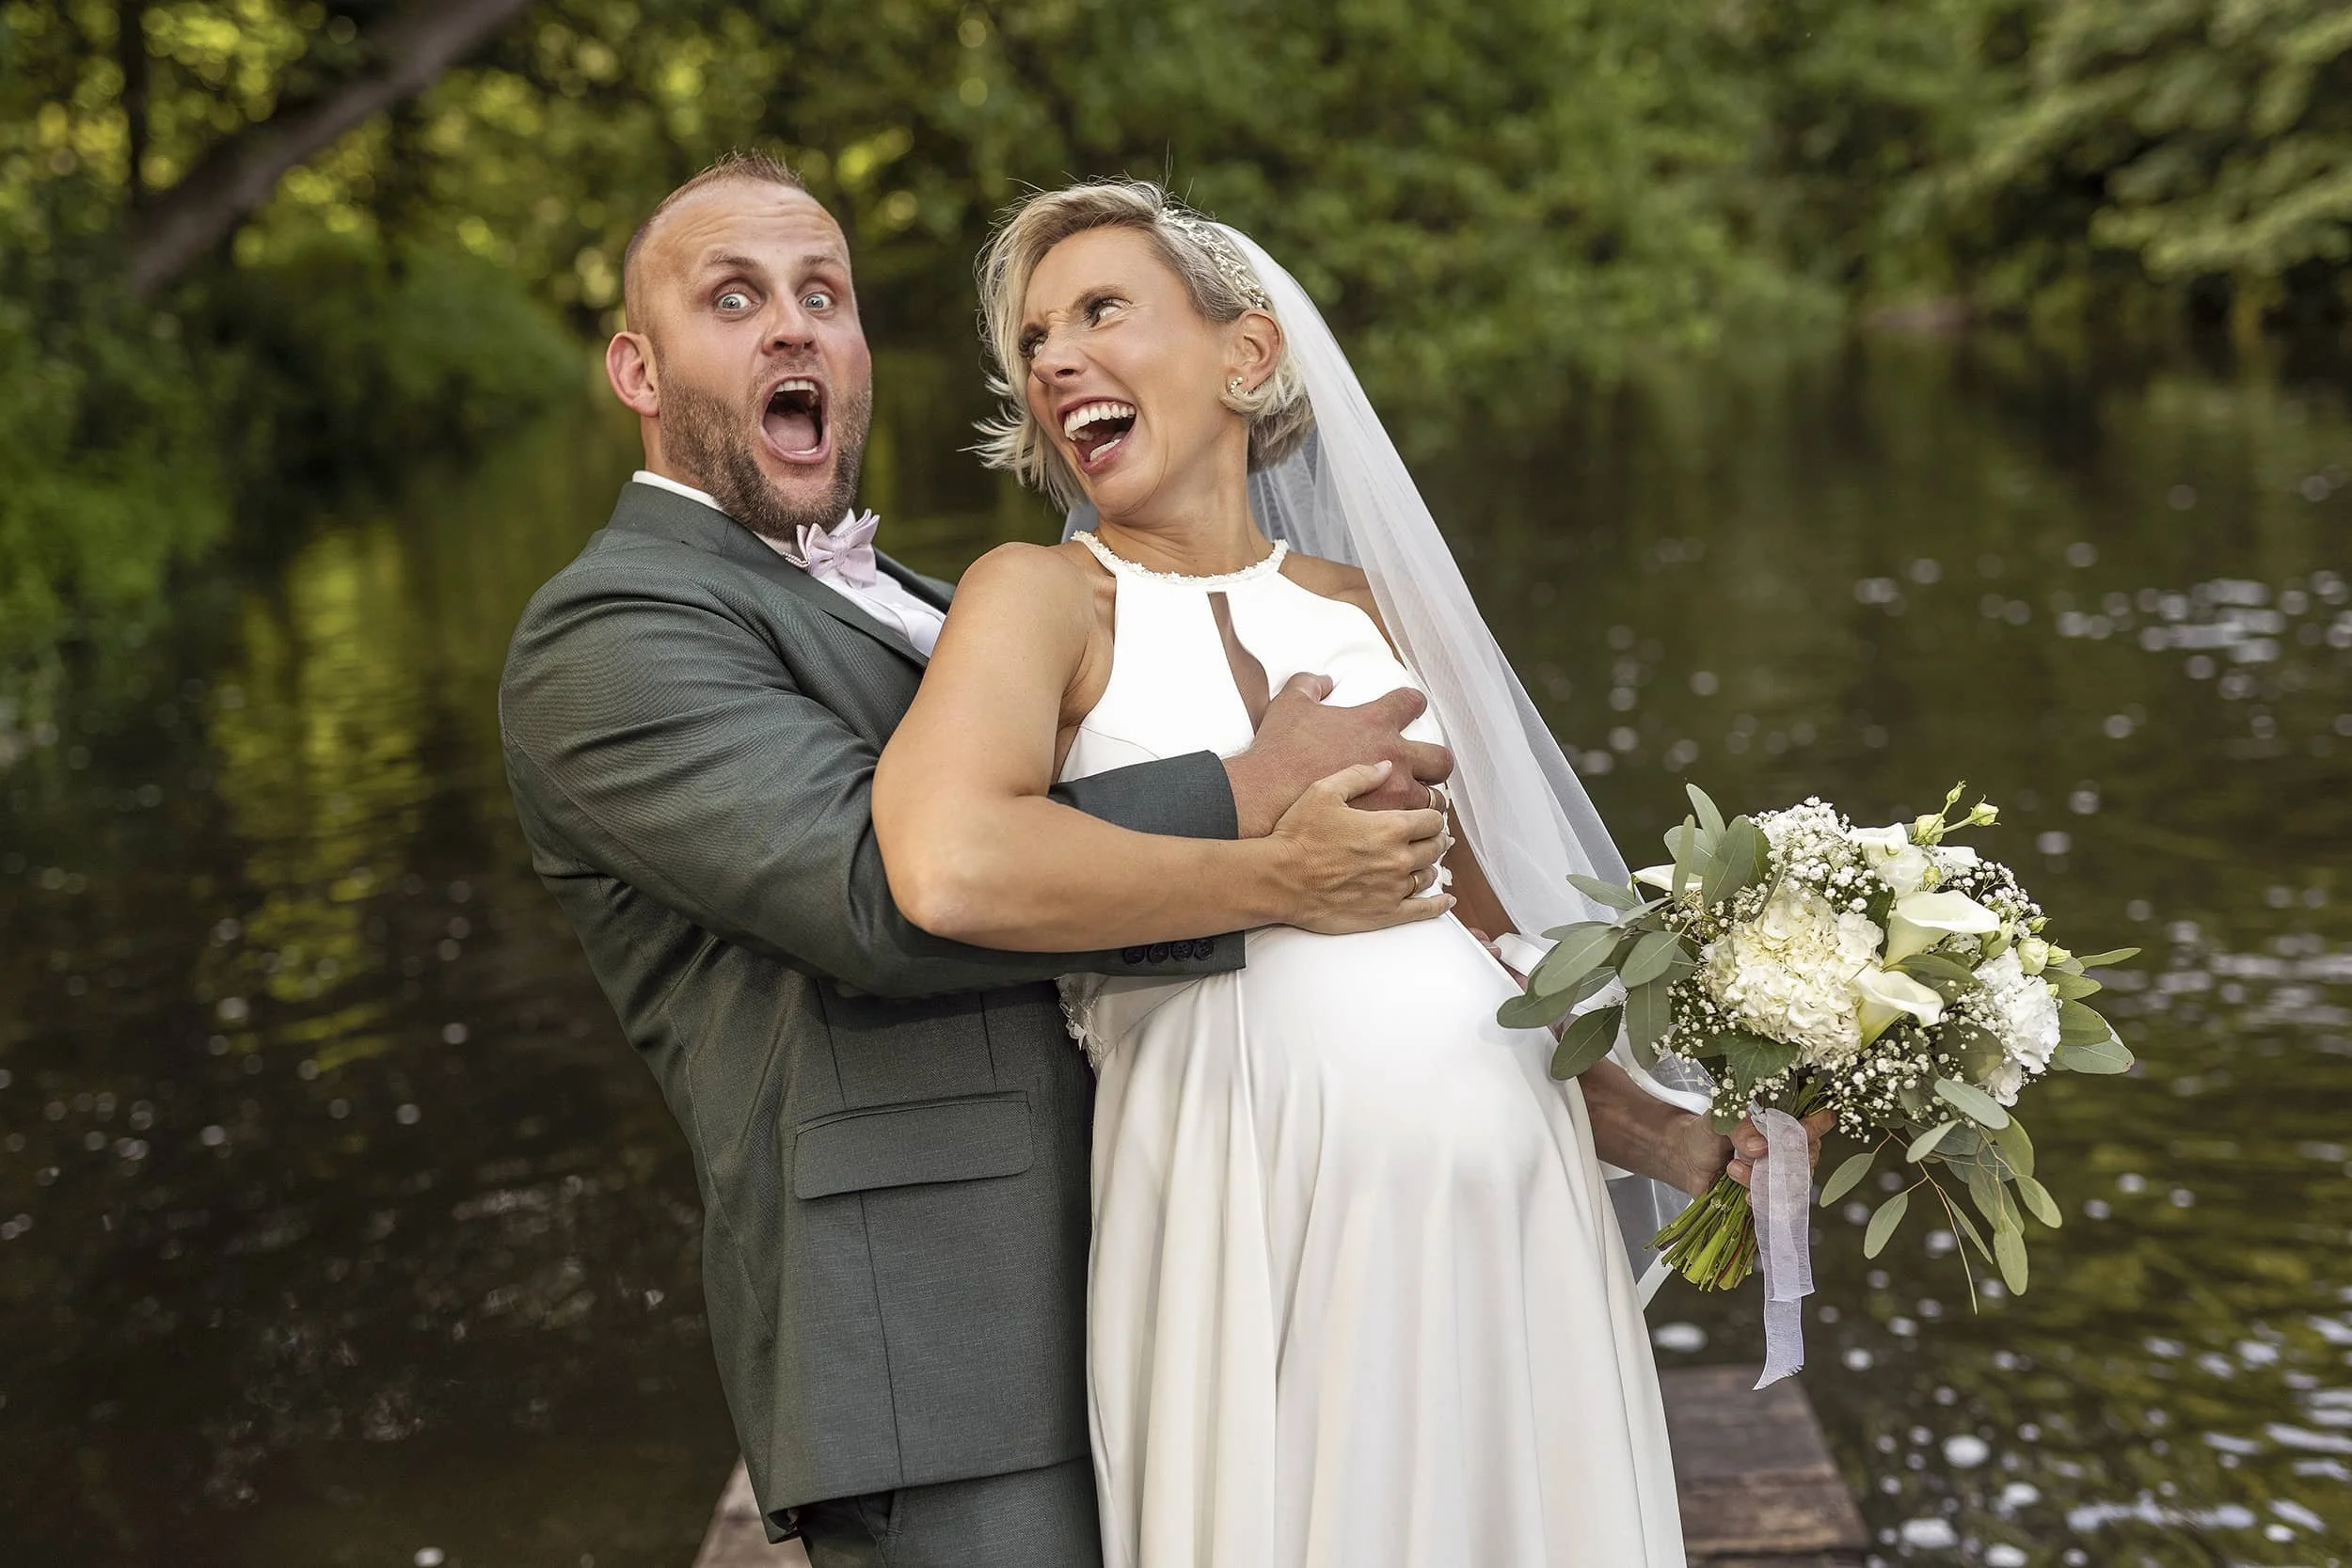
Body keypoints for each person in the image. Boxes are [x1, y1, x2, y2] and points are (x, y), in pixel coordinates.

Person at [498, 152, 1464, 1568]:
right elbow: (881, 895)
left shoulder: (936, 602)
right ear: (637, 370)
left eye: (822, 294)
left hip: (1165, 1266)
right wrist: (1257, 808)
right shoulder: (610, 634)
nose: (793, 326)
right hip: (944, 1344)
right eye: (734, 297)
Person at [871, 181, 1829, 1568]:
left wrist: (1674, 1133)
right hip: (1249, 1202)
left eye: (1099, 312)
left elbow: (1500, 943)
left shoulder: (1361, 604)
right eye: (1032, 340)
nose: (1053, 358)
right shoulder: (1040, 597)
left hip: (1508, 1198)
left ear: (1245, 356)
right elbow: (951, 865)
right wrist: (1279, 875)